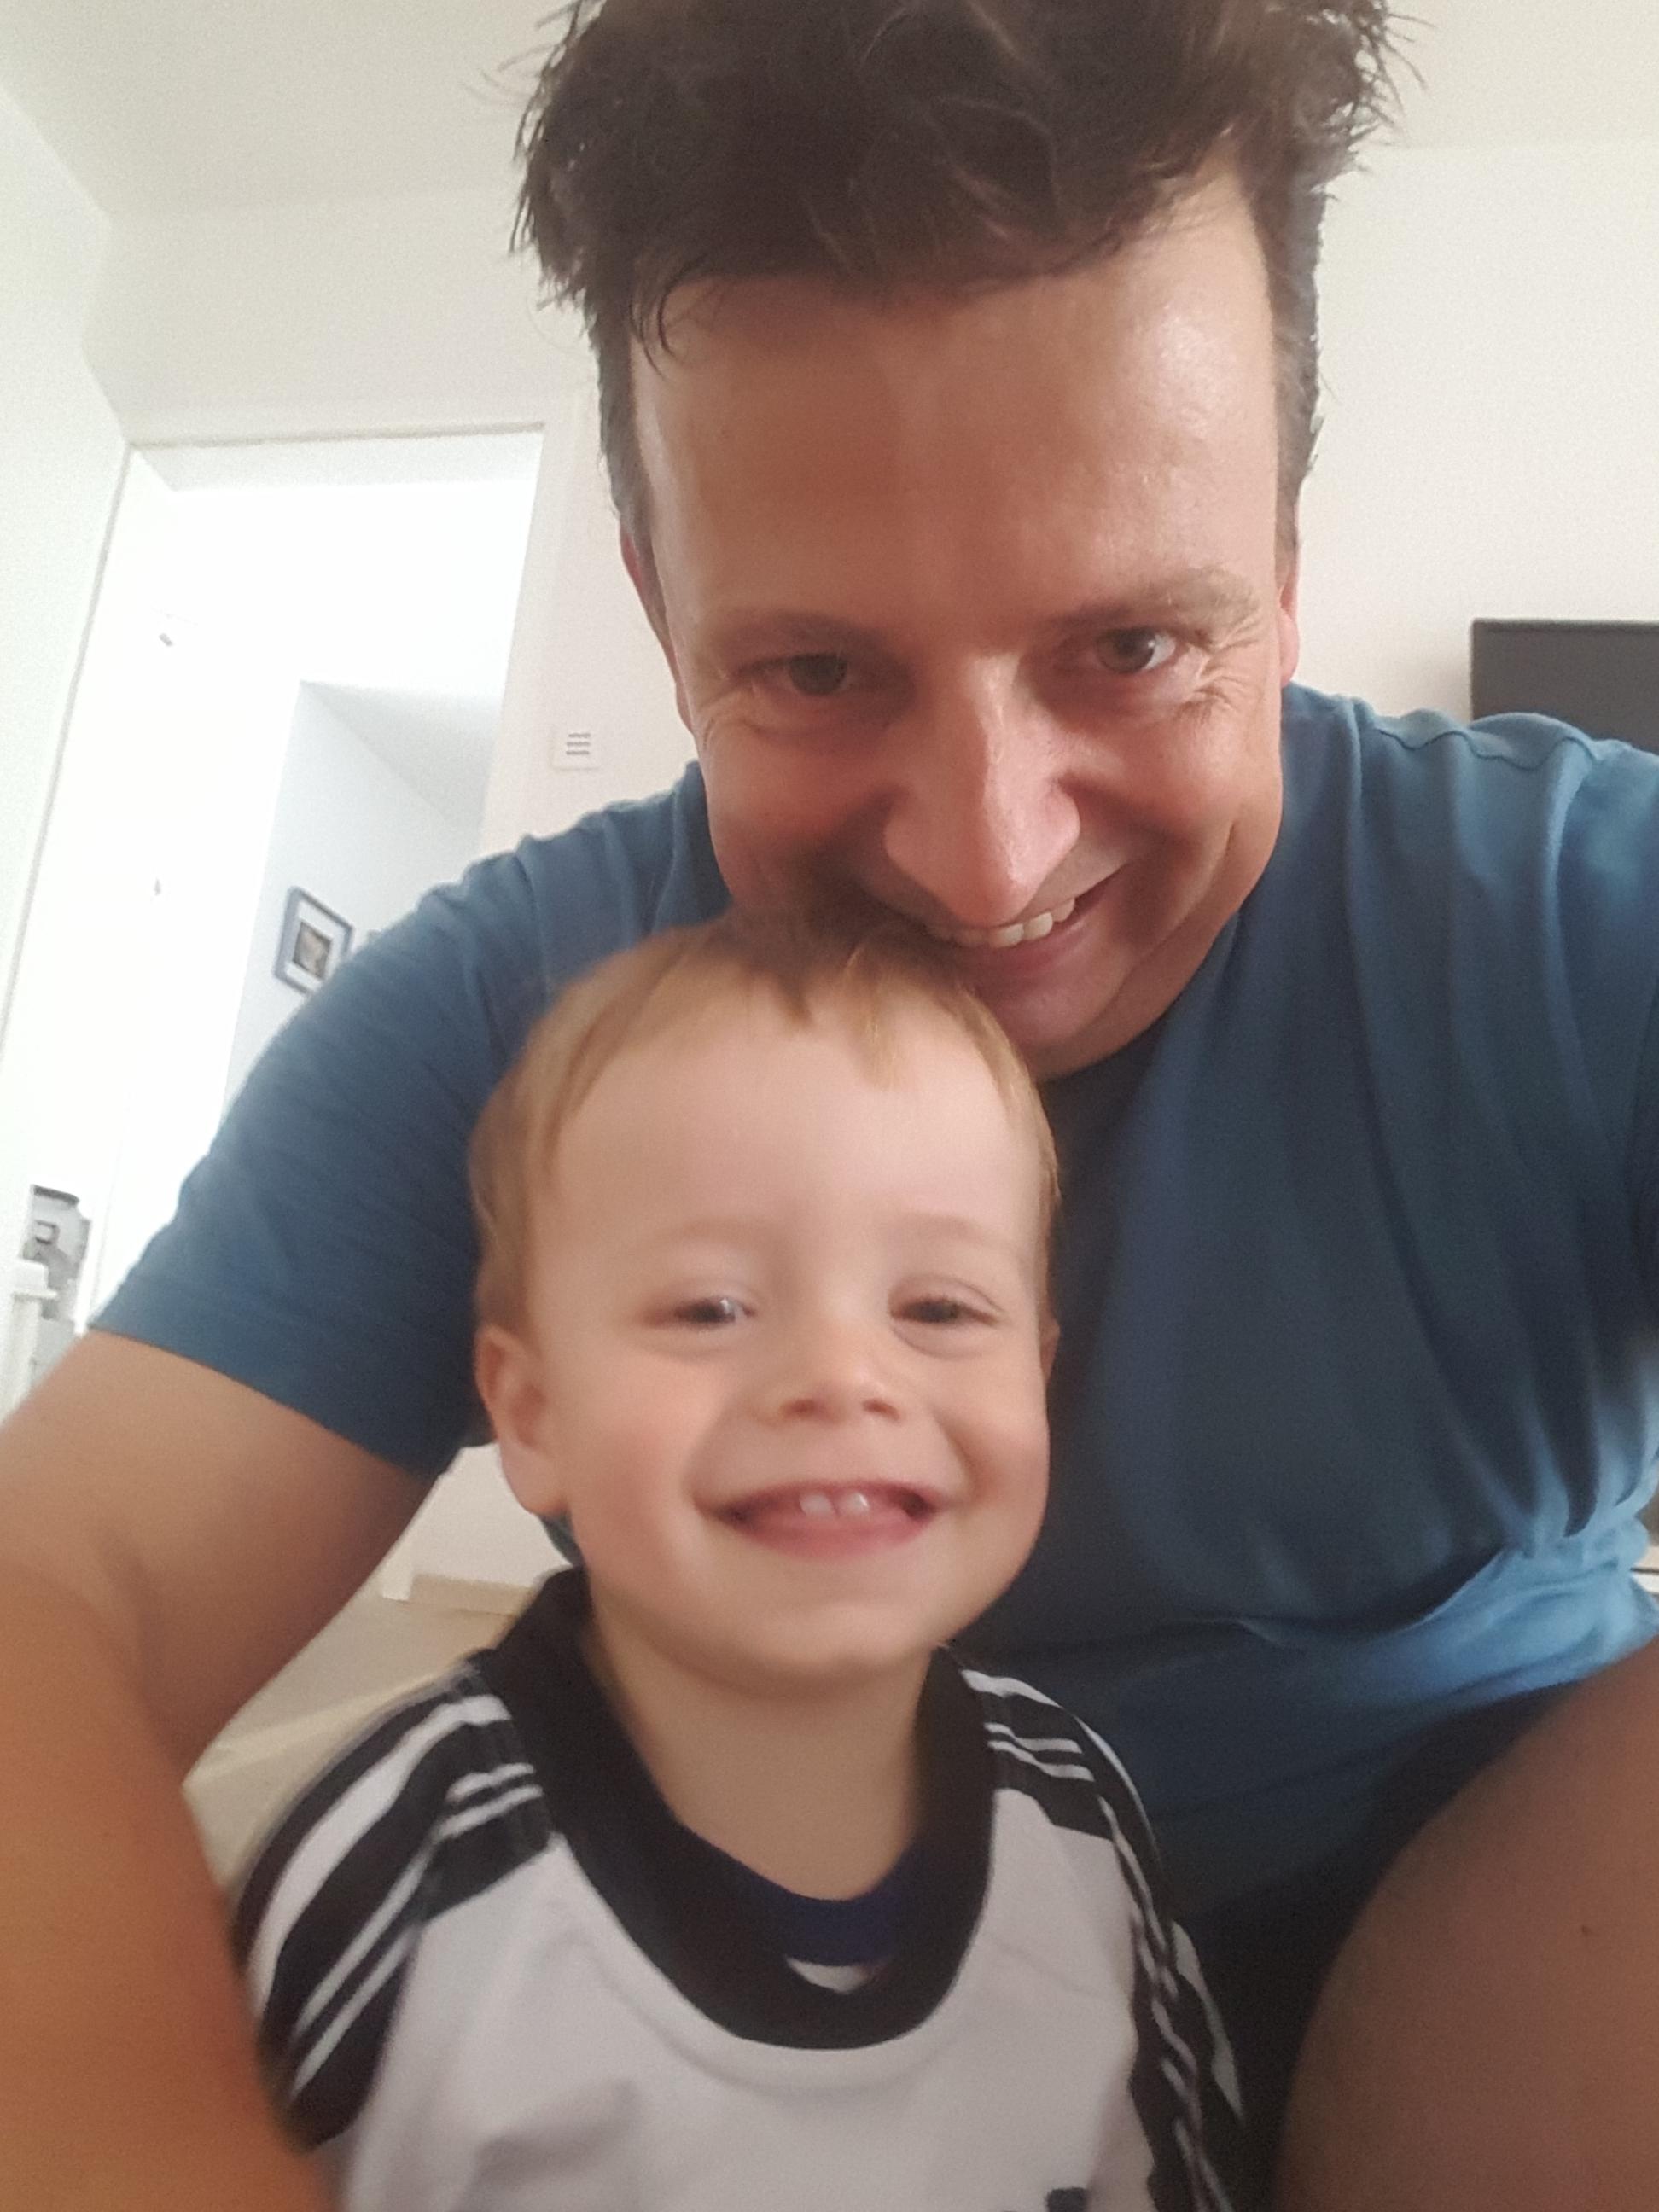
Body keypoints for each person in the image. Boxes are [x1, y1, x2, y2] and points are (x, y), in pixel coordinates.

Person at [0, 3, 1656, 2206]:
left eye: (1133, 648)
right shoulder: (513, 1012)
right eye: (814, 670)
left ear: (1282, 569)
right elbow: (51, 1588)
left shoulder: (1577, 916)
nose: (987, 856)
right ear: (659, 609)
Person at [234, 916, 1243, 2212]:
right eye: (710, 1306)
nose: (841, 1375)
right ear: (532, 1415)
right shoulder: (395, 1875)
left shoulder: (1080, 1819)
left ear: (1038, 1375)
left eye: (939, 1308)